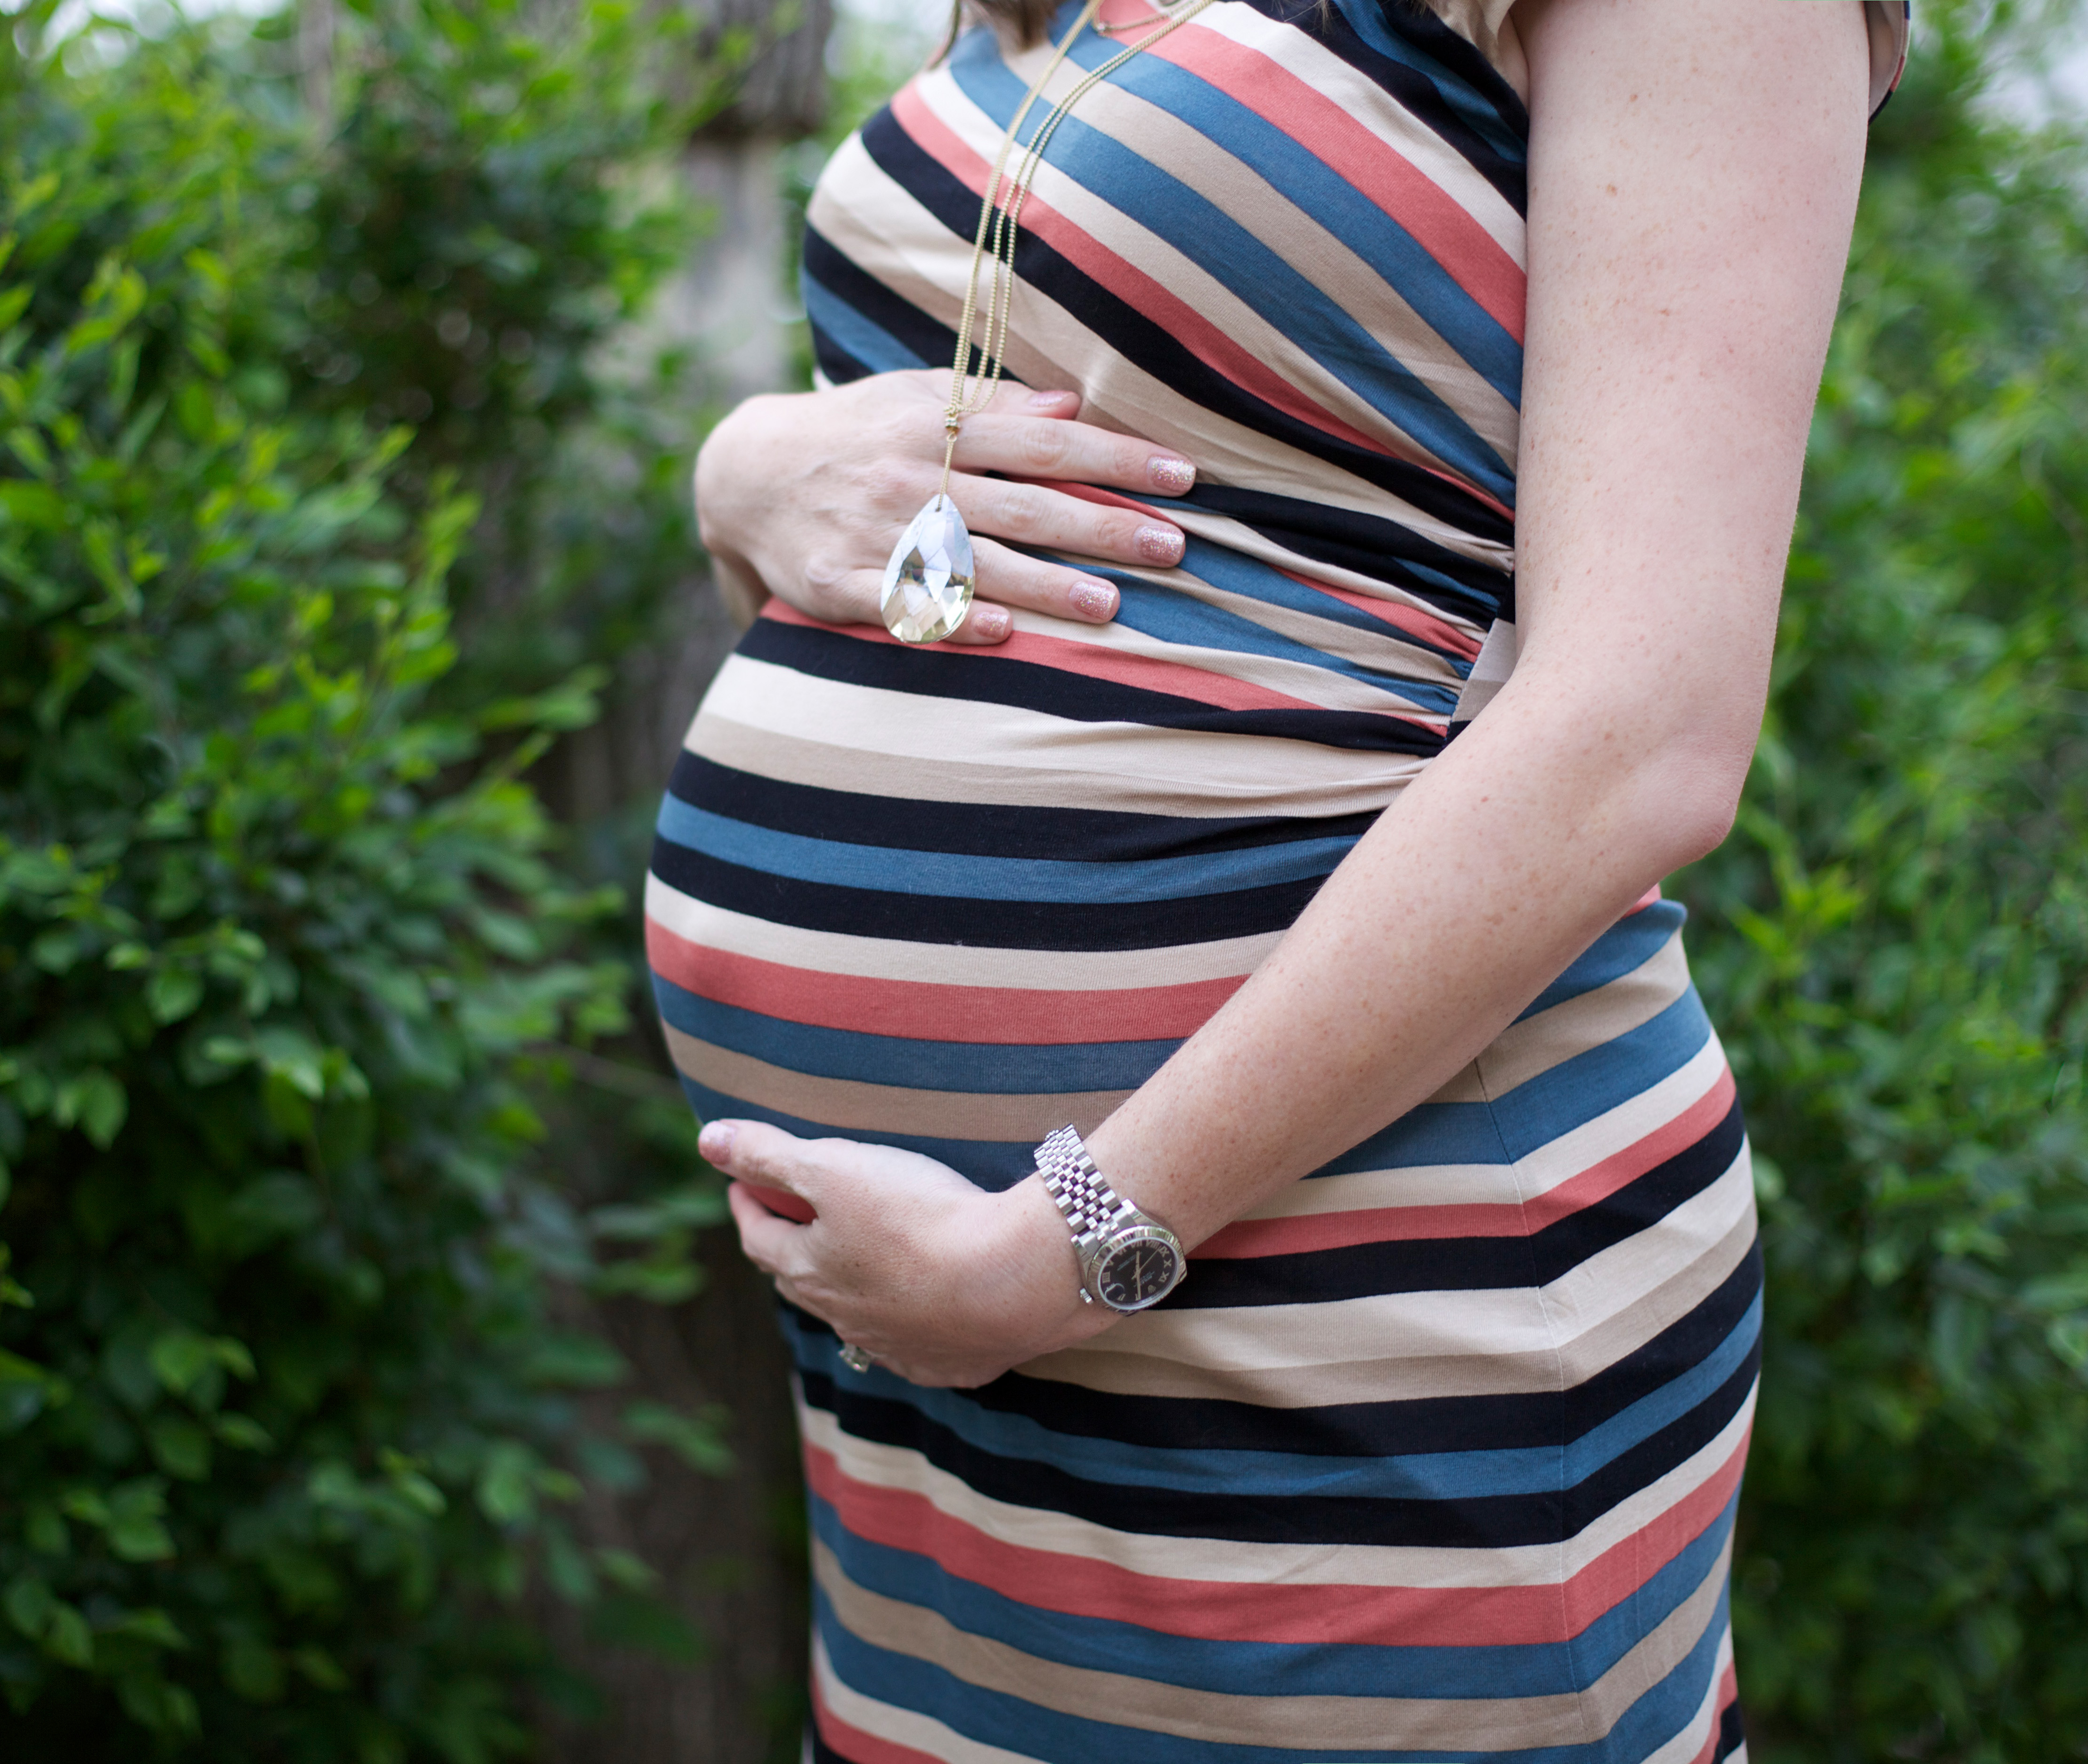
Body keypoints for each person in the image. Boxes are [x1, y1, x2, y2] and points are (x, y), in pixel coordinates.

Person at [647, 0, 1909, 1756]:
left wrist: (1067, 1244)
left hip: (1352, 1290)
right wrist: (745, 474)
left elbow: (1649, 730)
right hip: (931, 1329)